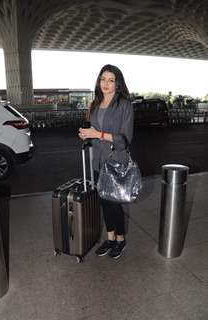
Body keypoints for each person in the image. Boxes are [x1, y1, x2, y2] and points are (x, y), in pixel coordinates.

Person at [78, 64, 134, 259]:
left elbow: (125, 139)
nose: (106, 84)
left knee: (114, 203)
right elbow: (93, 132)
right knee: (103, 202)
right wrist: (86, 135)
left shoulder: (124, 104)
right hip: (98, 161)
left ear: (118, 84)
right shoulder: (95, 103)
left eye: (111, 80)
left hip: (115, 161)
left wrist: (97, 133)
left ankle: (120, 240)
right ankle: (110, 239)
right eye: (103, 79)